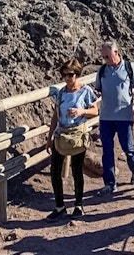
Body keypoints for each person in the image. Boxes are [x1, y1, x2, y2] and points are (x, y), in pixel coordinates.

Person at [46, 59, 99, 221]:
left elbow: (95, 111)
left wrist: (81, 111)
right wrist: (49, 137)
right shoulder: (61, 92)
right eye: (64, 75)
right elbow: (56, 115)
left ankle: (78, 205)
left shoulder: (86, 91)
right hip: (61, 134)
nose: (67, 78)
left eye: (70, 75)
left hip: (77, 135)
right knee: (54, 170)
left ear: (77, 74)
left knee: (77, 170)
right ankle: (59, 206)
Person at [95, 40, 134, 196]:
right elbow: (98, 90)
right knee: (107, 151)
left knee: (127, 148)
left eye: (107, 56)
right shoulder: (102, 71)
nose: (105, 60)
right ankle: (110, 183)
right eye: (103, 57)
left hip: (124, 116)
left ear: (116, 52)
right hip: (106, 118)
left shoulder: (128, 67)